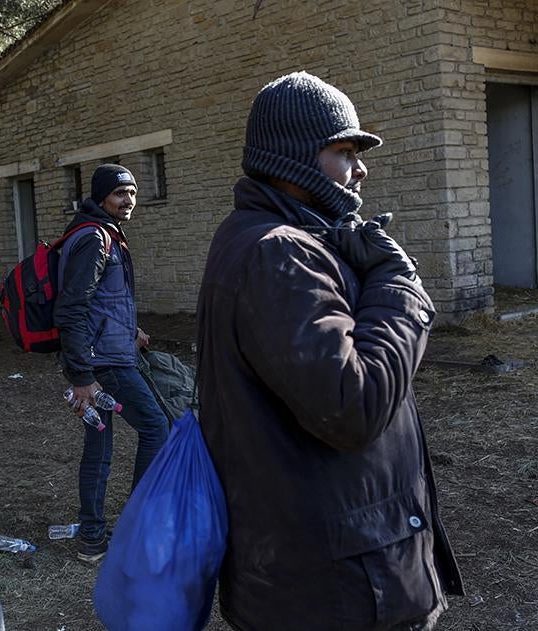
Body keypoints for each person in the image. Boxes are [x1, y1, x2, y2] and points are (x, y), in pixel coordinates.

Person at [196, 72, 464, 629]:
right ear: (293, 159)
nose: (360, 168)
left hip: (330, 571)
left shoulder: (271, 237)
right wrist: (397, 282)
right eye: (344, 151)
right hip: (337, 590)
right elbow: (353, 404)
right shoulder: (279, 254)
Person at [54, 164, 170, 563]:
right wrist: (83, 377)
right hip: (103, 366)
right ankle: (136, 529)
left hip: (105, 354)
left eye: (134, 192)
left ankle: (92, 539)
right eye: (121, 193)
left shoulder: (102, 234)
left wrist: (130, 330)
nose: (129, 200)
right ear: (102, 196)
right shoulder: (94, 238)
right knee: (157, 426)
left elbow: (102, 300)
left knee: (99, 447)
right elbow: (72, 308)